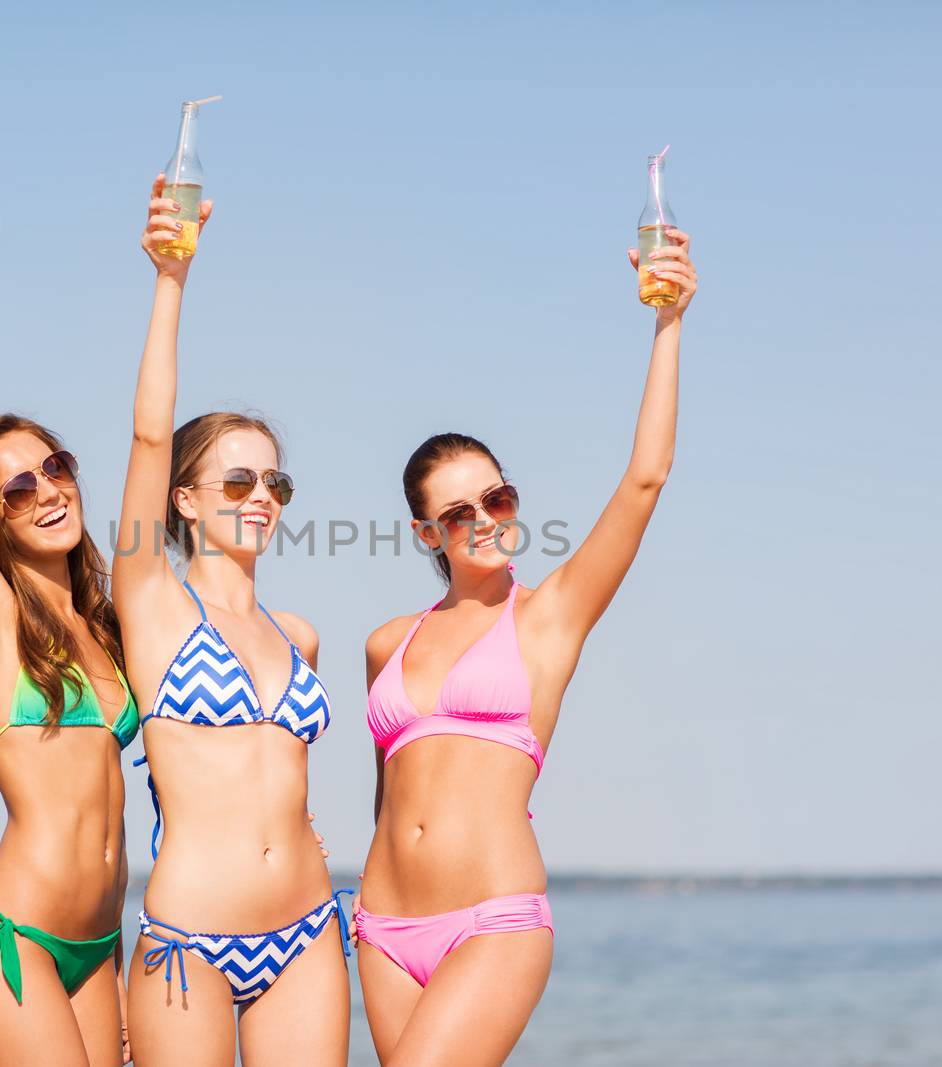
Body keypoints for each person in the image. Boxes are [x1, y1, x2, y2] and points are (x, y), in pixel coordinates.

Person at [355, 231, 699, 1065]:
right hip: (383, 929)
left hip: (494, 920)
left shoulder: (550, 616)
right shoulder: (388, 642)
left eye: (497, 497)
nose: (485, 520)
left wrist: (670, 325)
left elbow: (644, 479)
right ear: (426, 533)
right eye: (459, 513)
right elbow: (388, 799)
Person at [116, 177, 351, 1067]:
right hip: (190, 940)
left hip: (307, 929)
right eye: (239, 481)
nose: (264, 498)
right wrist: (170, 282)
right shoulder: (155, 602)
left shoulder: (300, 633)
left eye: (277, 483)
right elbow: (146, 438)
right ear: (184, 498)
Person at [0, 143, 132, 1067]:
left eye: (56, 467)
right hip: (14, 937)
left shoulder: (108, 622)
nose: (46, 489)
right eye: (15, 488)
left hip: (100, 947)